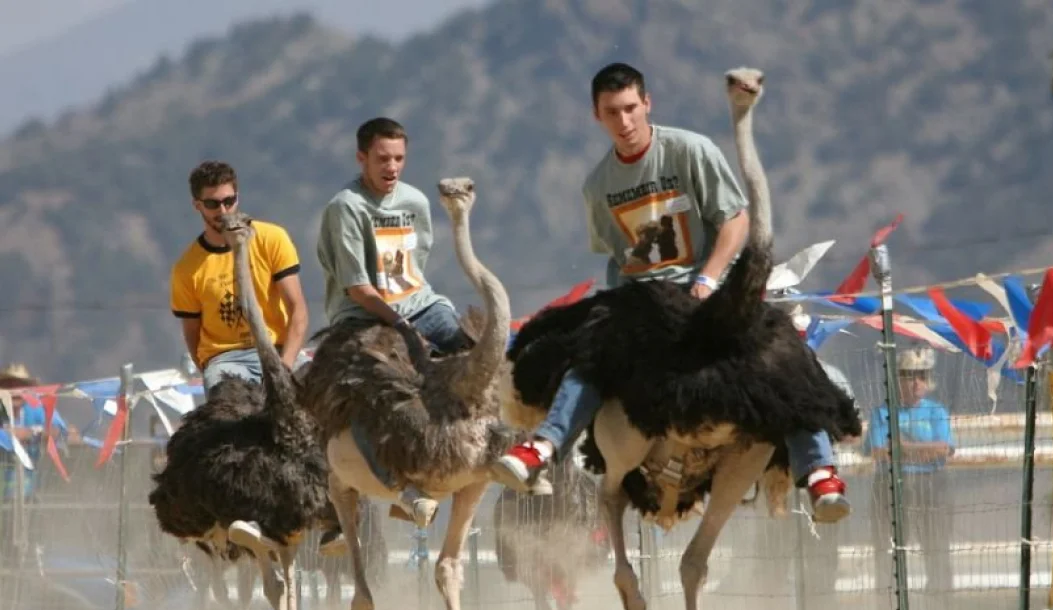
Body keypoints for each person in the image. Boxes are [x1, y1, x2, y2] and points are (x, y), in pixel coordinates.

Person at [491, 62, 851, 520]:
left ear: (647, 104)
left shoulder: (689, 150)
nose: (623, 122)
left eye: (629, 109)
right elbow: (617, 254)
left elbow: (735, 219)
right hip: (644, 299)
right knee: (591, 352)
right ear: (596, 116)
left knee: (777, 348)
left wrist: (707, 278)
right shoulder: (597, 186)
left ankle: (819, 472)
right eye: (611, 112)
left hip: (703, 288)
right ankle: (542, 447)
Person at [314, 117, 476, 525]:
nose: (392, 167)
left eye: (399, 158)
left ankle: (483, 456)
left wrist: (415, 316)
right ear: (362, 158)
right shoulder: (346, 208)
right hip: (363, 316)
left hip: (421, 303)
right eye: (382, 158)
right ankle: (398, 486)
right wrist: (402, 327)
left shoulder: (416, 203)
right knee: (369, 388)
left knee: (483, 360)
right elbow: (358, 288)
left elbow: (415, 266)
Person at [169, 160, 310, 394]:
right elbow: (192, 333)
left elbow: (298, 309)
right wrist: (209, 369)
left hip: (278, 349)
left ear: (237, 198)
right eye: (213, 204)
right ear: (198, 205)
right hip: (228, 360)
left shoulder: (272, 239)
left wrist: (283, 367)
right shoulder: (187, 269)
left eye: (228, 201)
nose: (223, 212)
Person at [864, 346, 955, 610]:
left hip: (931, 487)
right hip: (891, 488)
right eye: (908, 376)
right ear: (898, 379)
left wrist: (902, 447)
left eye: (921, 376)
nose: (915, 382)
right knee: (887, 555)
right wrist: (919, 451)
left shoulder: (936, 411)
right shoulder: (882, 412)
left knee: (937, 554)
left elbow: (943, 449)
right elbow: (880, 451)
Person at [0, 363, 73, 503]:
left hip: (31, 497)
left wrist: (31, 433)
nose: (14, 391)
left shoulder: (36, 407)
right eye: (8, 385)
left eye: (20, 385)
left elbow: (58, 431)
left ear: (28, 389)